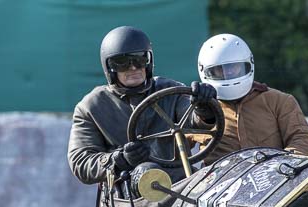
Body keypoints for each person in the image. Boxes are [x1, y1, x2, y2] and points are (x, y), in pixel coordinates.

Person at [68, 26, 217, 185]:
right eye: (122, 63)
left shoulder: (171, 91)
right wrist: (118, 159)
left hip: (179, 187)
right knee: (144, 173)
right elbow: (80, 162)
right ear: (109, 68)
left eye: (140, 59)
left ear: (149, 62)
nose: (133, 68)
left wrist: (204, 108)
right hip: (127, 197)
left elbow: (193, 120)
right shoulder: (92, 107)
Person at [193, 33, 308, 165]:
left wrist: (283, 165)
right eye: (220, 70)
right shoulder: (196, 107)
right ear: (206, 72)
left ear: (249, 65)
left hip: (273, 180)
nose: (228, 73)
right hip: (219, 183)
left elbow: (304, 140)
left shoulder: (279, 101)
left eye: (234, 68)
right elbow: (174, 148)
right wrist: (201, 116)